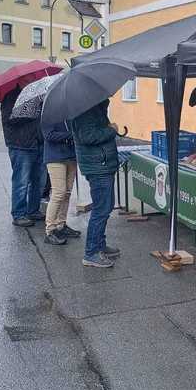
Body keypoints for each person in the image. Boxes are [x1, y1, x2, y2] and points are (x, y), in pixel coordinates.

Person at [71, 99, 120, 269]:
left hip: (101, 164)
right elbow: (88, 136)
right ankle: (91, 253)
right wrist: (111, 130)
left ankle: (99, 245)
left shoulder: (92, 106)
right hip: (98, 166)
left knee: (105, 207)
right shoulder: (85, 108)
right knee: (101, 209)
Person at [1, 86, 45, 227]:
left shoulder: (36, 94)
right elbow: (9, 119)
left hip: (38, 143)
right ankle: (19, 214)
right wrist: (29, 111)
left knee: (38, 181)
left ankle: (33, 210)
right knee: (21, 182)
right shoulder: (11, 96)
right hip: (20, 145)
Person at [41, 119, 81, 245]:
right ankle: (50, 230)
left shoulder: (70, 113)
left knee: (67, 193)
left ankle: (61, 225)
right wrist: (71, 134)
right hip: (55, 157)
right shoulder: (48, 113)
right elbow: (49, 135)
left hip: (71, 155)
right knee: (59, 193)